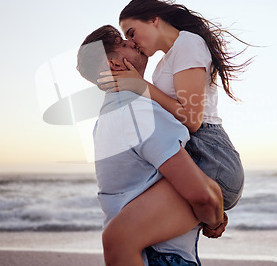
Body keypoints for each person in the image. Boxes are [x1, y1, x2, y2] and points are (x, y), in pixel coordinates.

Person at [77, 25, 228, 266]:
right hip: (160, 256)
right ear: (113, 65)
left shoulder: (107, 118)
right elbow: (202, 196)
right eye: (123, 43)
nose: (132, 42)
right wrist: (215, 220)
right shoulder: (138, 112)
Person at [98, 0, 247, 212]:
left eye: (132, 33)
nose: (132, 42)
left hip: (210, 156)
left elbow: (192, 120)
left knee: (125, 225)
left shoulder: (188, 43)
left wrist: (141, 86)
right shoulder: (166, 61)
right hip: (194, 150)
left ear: (153, 19)